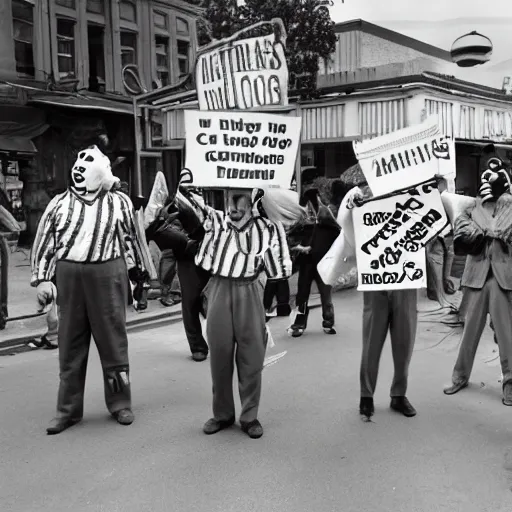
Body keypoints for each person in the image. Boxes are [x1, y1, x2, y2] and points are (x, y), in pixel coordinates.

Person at [31, 145, 148, 435]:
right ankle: (68, 411)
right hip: (70, 276)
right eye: (78, 161)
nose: (80, 166)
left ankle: (120, 402)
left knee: (113, 342)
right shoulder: (58, 203)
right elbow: (45, 242)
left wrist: (137, 276)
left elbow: (131, 239)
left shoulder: (119, 202)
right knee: (70, 345)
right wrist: (44, 279)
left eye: (88, 162)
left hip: (108, 273)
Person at [175, 175, 304, 439]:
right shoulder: (217, 221)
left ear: (254, 199)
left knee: (251, 356)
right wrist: (189, 178)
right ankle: (222, 414)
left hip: (250, 290)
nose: (231, 205)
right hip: (219, 288)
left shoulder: (268, 228)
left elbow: (279, 271)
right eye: (229, 198)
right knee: (220, 355)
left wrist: (277, 229)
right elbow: (188, 202)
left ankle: (249, 416)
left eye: (238, 198)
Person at [339, 184, 418, 419]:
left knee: (404, 341)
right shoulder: (364, 196)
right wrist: (353, 205)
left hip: (405, 278)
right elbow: (345, 223)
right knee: (372, 340)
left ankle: (399, 395)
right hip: (376, 280)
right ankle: (366, 396)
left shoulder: (415, 193)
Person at [440, 155, 512, 406]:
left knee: (506, 334)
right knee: (470, 330)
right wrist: (488, 233)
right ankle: (459, 376)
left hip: (502, 277)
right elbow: (462, 234)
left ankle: (510, 383)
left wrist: (495, 232)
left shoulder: (511, 206)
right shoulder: (472, 207)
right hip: (477, 276)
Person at [146, 193, 210, 362]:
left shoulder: (200, 197)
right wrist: (183, 239)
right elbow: (160, 226)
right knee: (190, 303)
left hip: (210, 253)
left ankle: (221, 339)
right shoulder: (174, 199)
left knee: (214, 299)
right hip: (187, 256)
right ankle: (197, 346)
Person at [287, 182, 343, 337]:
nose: (311, 211)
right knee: (302, 295)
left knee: (326, 295)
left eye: (314, 205)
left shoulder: (329, 226)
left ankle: (328, 321)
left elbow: (340, 241)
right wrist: (299, 248)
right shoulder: (300, 227)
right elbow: (290, 242)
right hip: (306, 264)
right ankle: (299, 324)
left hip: (324, 264)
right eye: (308, 206)